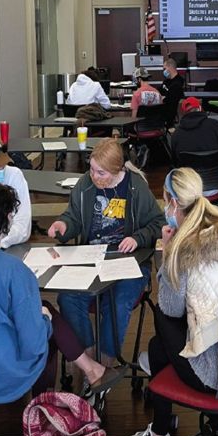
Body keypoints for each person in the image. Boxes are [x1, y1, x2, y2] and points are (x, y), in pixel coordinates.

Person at [0, 183, 124, 404]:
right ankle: (42, 406)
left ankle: (91, 371)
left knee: (41, 312)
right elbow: (33, 346)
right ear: (6, 220)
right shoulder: (15, 271)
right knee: (47, 324)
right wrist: (44, 320)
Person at [129, 168, 218, 436]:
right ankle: (159, 429)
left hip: (214, 375)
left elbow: (170, 308)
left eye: (165, 200)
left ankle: (159, 432)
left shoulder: (181, 249)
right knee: (156, 348)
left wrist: (166, 256)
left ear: (174, 203)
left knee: (161, 317)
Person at [47, 139, 163, 373]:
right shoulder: (85, 185)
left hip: (129, 262)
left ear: (117, 170)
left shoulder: (135, 187)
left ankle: (106, 361)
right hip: (91, 259)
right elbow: (74, 217)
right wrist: (63, 225)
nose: (94, 176)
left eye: (101, 172)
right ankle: (91, 361)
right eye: (91, 169)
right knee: (68, 299)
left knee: (117, 303)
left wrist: (138, 238)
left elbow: (158, 223)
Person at [170, 97, 218, 198]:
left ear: (183, 113)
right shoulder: (214, 125)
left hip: (190, 190)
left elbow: (175, 163)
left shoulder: (176, 134)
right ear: (200, 108)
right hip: (215, 186)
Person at [158, 58, 186, 123]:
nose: (164, 71)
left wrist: (162, 97)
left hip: (168, 111)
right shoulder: (167, 80)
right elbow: (160, 90)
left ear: (170, 67)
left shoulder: (178, 83)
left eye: (164, 68)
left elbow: (169, 99)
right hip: (162, 107)